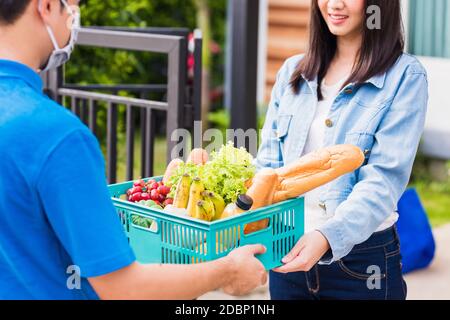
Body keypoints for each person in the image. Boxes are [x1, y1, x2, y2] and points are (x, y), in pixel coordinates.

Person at [0, 0, 267, 300]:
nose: (74, 18)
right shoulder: (57, 136)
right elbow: (123, 287)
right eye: (72, 6)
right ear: (46, 6)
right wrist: (227, 270)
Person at [256, 0, 428, 300]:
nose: (334, 4)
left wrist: (327, 237)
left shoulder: (405, 76)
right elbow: (267, 169)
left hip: (361, 267)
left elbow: (383, 181)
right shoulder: (292, 72)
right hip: (286, 256)